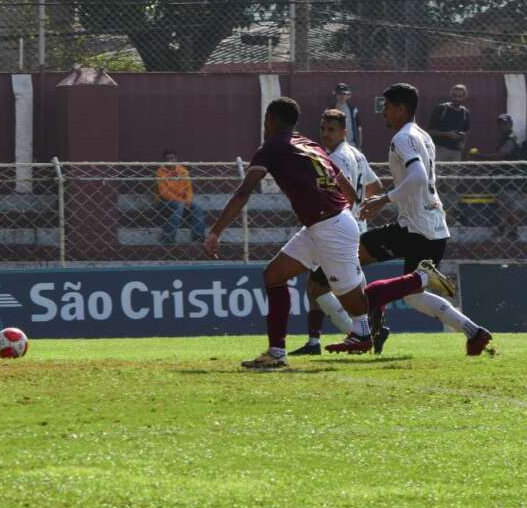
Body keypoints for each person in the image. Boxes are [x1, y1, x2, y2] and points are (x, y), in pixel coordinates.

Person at [203, 97, 456, 369]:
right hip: (325, 225)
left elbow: (244, 192)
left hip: (330, 228)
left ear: (271, 120)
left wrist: (215, 231)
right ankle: (276, 353)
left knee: (358, 303)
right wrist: (349, 211)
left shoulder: (272, 147)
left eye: (266, 120)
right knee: (274, 276)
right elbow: (343, 183)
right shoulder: (309, 144)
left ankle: (420, 277)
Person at [352, 83, 493, 356]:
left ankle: (367, 325)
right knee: (413, 296)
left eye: (388, 108)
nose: (384, 114)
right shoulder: (423, 136)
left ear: (402, 109)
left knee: (354, 258)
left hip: (417, 229)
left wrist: (383, 199)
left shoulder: (403, 138)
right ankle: (474, 333)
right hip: (430, 226)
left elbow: (418, 178)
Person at [290, 109, 384, 356]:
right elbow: (375, 186)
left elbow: (338, 195)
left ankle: (360, 334)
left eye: (331, 129)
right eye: (323, 129)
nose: (326, 134)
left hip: (338, 232)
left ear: (344, 131)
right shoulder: (356, 154)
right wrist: (362, 208)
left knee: (318, 288)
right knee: (336, 287)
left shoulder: (338, 159)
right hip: (354, 230)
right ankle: (317, 341)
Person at [155, 150, 206, 243]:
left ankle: (198, 237)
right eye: (167, 159)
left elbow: (188, 189)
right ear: (164, 161)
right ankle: (168, 238)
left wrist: (188, 201)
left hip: (182, 201)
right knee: (179, 206)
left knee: (198, 208)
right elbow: (163, 193)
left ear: (176, 159)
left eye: (172, 158)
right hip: (164, 202)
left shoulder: (183, 171)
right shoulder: (160, 172)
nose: (170, 161)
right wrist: (181, 202)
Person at [427, 84, 470, 163]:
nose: (457, 98)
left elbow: (466, 131)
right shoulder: (441, 109)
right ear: (450, 95)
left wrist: (463, 143)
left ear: (464, 97)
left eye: (460, 96)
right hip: (439, 150)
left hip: (456, 152)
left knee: (454, 175)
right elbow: (430, 131)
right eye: (454, 95)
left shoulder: (465, 112)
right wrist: (447, 134)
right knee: (436, 175)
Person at [331, 83, 362, 147]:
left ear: (348, 96)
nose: (342, 96)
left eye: (344, 94)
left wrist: (359, 146)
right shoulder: (330, 110)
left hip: (351, 145)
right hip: (335, 146)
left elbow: (359, 128)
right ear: (336, 95)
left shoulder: (353, 110)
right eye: (339, 93)